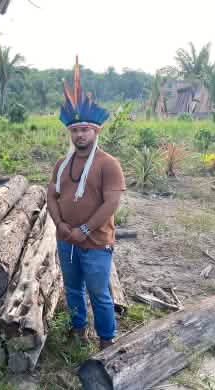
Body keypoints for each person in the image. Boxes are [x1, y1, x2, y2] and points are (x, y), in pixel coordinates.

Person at [47, 57, 126, 350]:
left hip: (95, 241)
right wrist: (61, 225)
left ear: (96, 131)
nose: (80, 134)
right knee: (72, 289)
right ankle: (78, 329)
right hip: (66, 239)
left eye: (85, 130)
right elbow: (51, 195)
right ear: (70, 133)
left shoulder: (109, 164)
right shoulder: (61, 163)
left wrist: (84, 228)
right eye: (75, 130)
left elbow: (111, 202)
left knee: (98, 291)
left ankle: (106, 339)